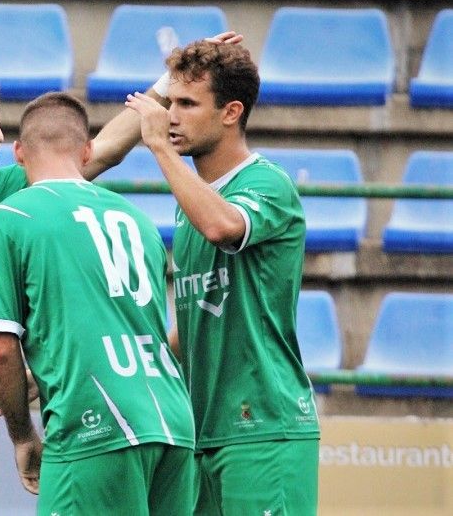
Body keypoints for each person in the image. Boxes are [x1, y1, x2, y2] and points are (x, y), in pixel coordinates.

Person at [125, 41, 320, 515]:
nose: (171, 116)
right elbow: (188, 327)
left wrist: (158, 150)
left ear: (231, 111)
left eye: (187, 104)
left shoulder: (266, 183)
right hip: (201, 432)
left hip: (265, 430)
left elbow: (223, 228)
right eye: (170, 102)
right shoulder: (188, 201)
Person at [0, 92, 196, 515]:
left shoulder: (9, 216)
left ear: (19, 153)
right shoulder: (138, 220)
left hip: (95, 423)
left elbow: (3, 351)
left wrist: (23, 436)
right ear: (86, 152)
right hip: (173, 422)